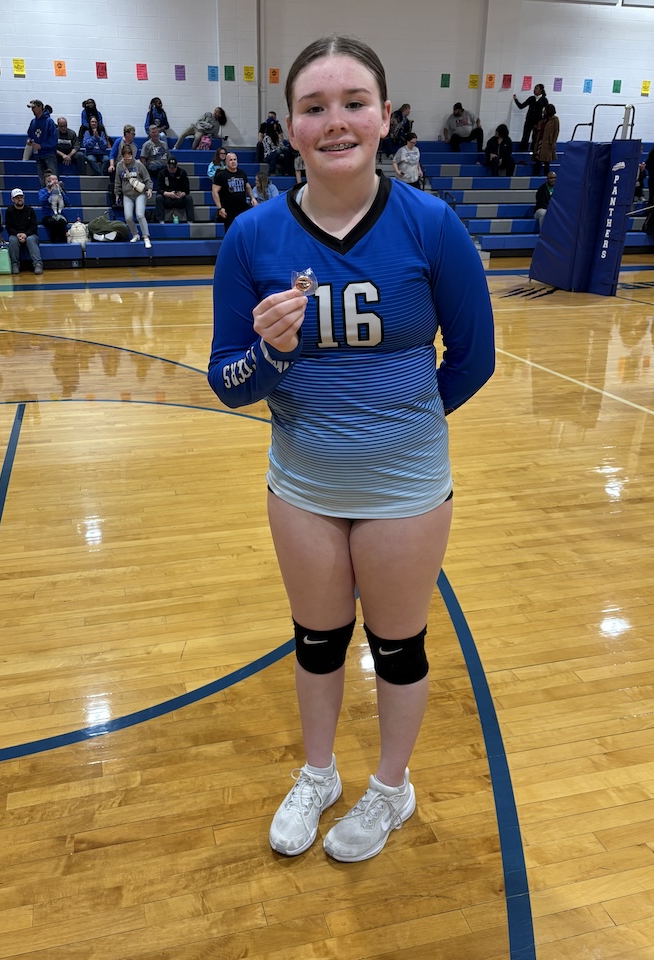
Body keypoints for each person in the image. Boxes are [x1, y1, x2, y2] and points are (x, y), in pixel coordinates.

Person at [208, 35, 495, 864]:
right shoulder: (251, 237)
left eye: (353, 102)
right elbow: (228, 382)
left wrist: (402, 423)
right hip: (301, 485)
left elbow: (473, 359)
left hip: (406, 487)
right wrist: (272, 356)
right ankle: (319, 773)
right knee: (317, 640)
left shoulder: (432, 225)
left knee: (397, 648)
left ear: (385, 116)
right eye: (314, 107)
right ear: (291, 127)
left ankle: (392, 788)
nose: (335, 121)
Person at [114, 144, 153, 247]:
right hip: (127, 194)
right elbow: (117, 181)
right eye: (125, 158)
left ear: (132, 155)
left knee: (140, 215)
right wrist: (117, 194)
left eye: (129, 157)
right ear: (123, 156)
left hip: (140, 193)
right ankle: (135, 234)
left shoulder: (138, 164)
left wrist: (149, 189)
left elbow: (147, 178)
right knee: (128, 217)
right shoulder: (119, 166)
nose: (127, 160)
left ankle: (146, 237)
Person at [211, 152, 257, 232]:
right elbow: (214, 192)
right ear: (226, 162)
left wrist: (252, 198)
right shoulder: (221, 175)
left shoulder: (242, 173)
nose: (233, 162)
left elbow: (247, 187)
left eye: (235, 159)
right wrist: (220, 208)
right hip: (229, 210)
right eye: (231, 160)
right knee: (231, 232)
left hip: (242, 207)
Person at [5, 188, 43, 275]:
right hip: (15, 235)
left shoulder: (30, 210)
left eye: (21, 197)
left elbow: (34, 227)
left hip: (30, 235)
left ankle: (38, 264)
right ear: (12, 199)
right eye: (17, 197)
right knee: (12, 240)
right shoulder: (9, 211)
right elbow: (9, 227)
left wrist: (25, 234)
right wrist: (17, 234)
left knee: (30, 239)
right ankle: (15, 264)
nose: (20, 199)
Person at [26, 100, 59, 184]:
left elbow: (53, 139)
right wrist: (29, 140)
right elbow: (30, 134)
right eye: (31, 108)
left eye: (34, 107)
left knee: (54, 180)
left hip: (49, 154)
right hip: (38, 155)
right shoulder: (33, 122)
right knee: (42, 181)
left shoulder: (49, 121)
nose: (32, 110)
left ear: (40, 107)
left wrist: (41, 146)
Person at [155, 157, 194, 223]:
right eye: (171, 167)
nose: (172, 169)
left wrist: (181, 194)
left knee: (189, 198)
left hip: (179, 199)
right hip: (167, 198)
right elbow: (159, 189)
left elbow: (187, 190)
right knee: (159, 198)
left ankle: (190, 220)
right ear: (167, 165)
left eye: (174, 167)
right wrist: (168, 194)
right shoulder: (162, 173)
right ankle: (161, 220)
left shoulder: (182, 173)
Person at [512, 84, 548, 152]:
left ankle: (533, 151)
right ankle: (522, 150)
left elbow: (546, 111)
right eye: (534, 88)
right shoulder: (531, 98)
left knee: (535, 137)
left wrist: (543, 121)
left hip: (537, 121)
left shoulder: (544, 100)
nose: (534, 90)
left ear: (541, 90)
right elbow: (521, 106)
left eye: (536, 88)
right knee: (525, 136)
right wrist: (516, 99)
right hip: (529, 120)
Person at [38, 172, 69, 242]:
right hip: (47, 216)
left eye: (55, 180)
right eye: (49, 181)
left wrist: (61, 192)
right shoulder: (42, 191)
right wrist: (49, 192)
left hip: (59, 215)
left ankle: (63, 243)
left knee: (61, 222)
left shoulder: (59, 191)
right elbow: (42, 201)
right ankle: (53, 242)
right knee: (53, 222)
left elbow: (68, 203)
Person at [532, 103, 559, 176]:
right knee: (537, 159)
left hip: (548, 143)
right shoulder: (542, 120)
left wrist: (553, 143)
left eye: (546, 110)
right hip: (540, 141)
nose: (544, 112)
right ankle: (536, 175)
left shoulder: (555, 120)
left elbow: (556, 132)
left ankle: (546, 175)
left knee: (547, 161)